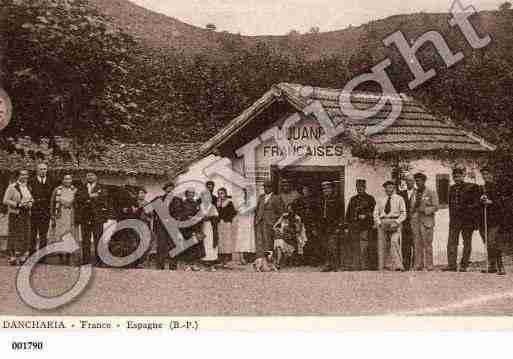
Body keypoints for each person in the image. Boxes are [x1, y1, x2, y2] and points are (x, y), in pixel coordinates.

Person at [444, 166, 481, 272]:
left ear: (463, 176)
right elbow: (451, 205)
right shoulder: (451, 188)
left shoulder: (471, 187)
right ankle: (452, 265)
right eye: (455, 176)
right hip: (455, 220)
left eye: (459, 176)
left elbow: (476, 203)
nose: (457, 178)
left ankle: (464, 265)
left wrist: (469, 211)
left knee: (467, 242)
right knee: (451, 242)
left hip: (467, 220)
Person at [76, 172, 108, 266]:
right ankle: (86, 260)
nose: (89, 177)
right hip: (85, 217)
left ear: (96, 177)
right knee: (85, 239)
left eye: (92, 175)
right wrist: (90, 196)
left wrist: (89, 198)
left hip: (97, 217)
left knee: (98, 238)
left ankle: (99, 261)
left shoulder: (101, 188)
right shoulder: (82, 188)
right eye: (88, 175)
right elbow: (78, 198)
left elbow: (104, 198)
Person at [374, 180, 406, 271]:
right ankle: (384, 266)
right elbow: (376, 213)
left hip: (395, 222)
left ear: (394, 188)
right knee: (382, 245)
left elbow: (403, 213)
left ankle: (398, 266)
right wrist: (379, 223)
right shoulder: (380, 199)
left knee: (394, 242)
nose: (389, 189)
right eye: (387, 187)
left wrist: (396, 222)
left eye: (391, 187)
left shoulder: (399, 199)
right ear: (385, 189)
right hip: (383, 222)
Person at [3, 169, 33, 265]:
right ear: (18, 176)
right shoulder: (12, 187)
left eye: (26, 175)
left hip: (26, 213)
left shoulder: (28, 187)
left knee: (25, 234)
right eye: (22, 175)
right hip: (15, 213)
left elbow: (31, 198)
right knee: (14, 234)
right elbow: (5, 200)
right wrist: (18, 204)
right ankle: (12, 256)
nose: (24, 177)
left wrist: (30, 203)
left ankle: (22, 255)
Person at [479, 166, 505, 275]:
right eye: (484, 175)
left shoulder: (497, 187)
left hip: (494, 219)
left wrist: (491, 202)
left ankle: (501, 266)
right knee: (487, 243)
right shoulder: (482, 188)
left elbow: (502, 203)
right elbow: (477, 203)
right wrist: (481, 200)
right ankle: (492, 266)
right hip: (484, 220)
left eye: (487, 174)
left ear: (492, 175)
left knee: (492, 242)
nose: (485, 176)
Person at [409, 172, 439, 271]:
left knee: (427, 244)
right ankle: (418, 264)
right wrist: (412, 214)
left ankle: (429, 265)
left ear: (424, 181)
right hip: (416, 221)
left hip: (427, 221)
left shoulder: (431, 192)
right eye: (416, 181)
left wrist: (425, 210)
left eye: (419, 181)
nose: (417, 183)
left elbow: (436, 206)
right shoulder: (414, 193)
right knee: (417, 244)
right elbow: (411, 206)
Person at [48, 173, 79, 265]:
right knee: (60, 235)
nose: (67, 181)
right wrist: (52, 215)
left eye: (69, 179)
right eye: (65, 179)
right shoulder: (57, 190)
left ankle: (68, 256)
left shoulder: (75, 190)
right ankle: (61, 256)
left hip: (70, 214)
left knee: (69, 235)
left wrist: (71, 203)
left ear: (71, 180)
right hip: (60, 215)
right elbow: (52, 203)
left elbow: (78, 202)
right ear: (63, 180)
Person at [345, 179, 376, 270]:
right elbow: (348, 213)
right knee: (354, 246)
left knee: (364, 246)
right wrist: (347, 225)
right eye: (358, 187)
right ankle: (355, 266)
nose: (360, 189)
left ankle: (364, 266)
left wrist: (366, 215)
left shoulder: (370, 198)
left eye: (362, 187)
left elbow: (374, 212)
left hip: (365, 226)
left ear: (365, 187)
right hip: (354, 226)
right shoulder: (353, 199)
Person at [153, 181, 182, 270]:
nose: (170, 191)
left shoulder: (178, 200)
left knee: (173, 245)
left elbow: (182, 212)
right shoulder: (158, 199)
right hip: (161, 225)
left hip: (173, 225)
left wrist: (178, 220)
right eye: (167, 189)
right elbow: (151, 210)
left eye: (171, 189)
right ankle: (159, 266)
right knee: (161, 245)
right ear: (165, 190)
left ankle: (173, 266)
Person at [254, 180, 285, 260]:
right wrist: (256, 220)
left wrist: (275, 222)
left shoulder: (276, 198)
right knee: (260, 241)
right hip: (260, 221)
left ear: (271, 188)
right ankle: (261, 259)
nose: (266, 188)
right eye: (265, 187)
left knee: (269, 241)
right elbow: (257, 209)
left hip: (270, 223)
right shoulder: (261, 197)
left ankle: (269, 260)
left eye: (268, 187)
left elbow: (280, 212)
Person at [29, 163, 53, 257]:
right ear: (37, 170)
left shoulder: (51, 181)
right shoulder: (31, 181)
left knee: (43, 234)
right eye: (41, 169)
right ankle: (32, 253)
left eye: (45, 169)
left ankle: (42, 254)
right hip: (34, 211)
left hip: (45, 211)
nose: (43, 171)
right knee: (33, 233)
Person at [319, 181, 344, 272]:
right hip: (323, 227)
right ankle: (328, 264)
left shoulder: (337, 200)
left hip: (333, 227)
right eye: (324, 189)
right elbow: (317, 214)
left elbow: (341, 215)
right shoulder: (321, 200)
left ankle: (335, 265)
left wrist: (339, 226)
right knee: (325, 246)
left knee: (333, 246)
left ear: (331, 189)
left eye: (328, 189)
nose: (326, 190)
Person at [273, 203, 307, 268]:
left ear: (294, 210)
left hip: (292, 238)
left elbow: (298, 231)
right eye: (288, 210)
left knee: (280, 243)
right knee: (278, 242)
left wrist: (288, 231)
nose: (289, 211)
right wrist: (279, 230)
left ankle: (282, 262)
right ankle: (278, 263)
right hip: (283, 237)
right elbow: (275, 226)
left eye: (291, 210)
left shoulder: (297, 218)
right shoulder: (284, 216)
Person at [293, 185, 321, 266]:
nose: (305, 191)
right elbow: (295, 210)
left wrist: (315, 225)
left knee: (312, 242)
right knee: (302, 243)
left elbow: (317, 213)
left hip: (311, 224)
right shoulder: (298, 201)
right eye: (304, 190)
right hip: (302, 224)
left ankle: (314, 260)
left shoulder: (314, 201)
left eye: (307, 190)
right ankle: (304, 260)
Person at [233, 188, 256, 264]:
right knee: (241, 239)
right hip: (242, 223)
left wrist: (248, 209)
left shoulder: (252, 201)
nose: (247, 194)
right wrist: (247, 209)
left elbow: (253, 209)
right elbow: (240, 210)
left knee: (249, 239)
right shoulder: (240, 201)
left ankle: (249, 257)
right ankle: (241, 258)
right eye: (246, 192)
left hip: (249, 222)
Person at [398, 174, 416, 270]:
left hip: (416, 222)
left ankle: (415, 265)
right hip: (405, 223)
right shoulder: (401, 194)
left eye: (411, 180)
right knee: (405, 244)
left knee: (416, 243)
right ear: (405, 182)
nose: (410, 182)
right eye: (408, 180)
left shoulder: (418, 193)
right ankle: (406, 265)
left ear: (414, 182)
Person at [216, 187, 237, 267]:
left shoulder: (229, 202)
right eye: (219, 194)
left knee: (227, 240)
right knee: (220, 241)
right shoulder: (218, 203)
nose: (221, 195)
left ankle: (227, 260)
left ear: (225, 194)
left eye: (222, 193)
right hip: (219, 224)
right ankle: (221, 259)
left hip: (226, 223)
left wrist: (227, 219)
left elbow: (233, 212)